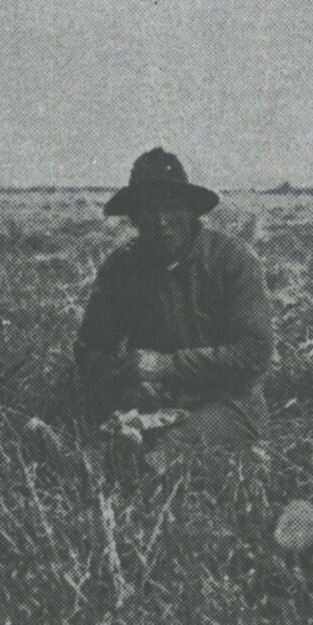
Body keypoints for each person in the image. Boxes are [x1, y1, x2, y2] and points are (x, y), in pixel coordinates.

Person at [74, 148, 275, 471]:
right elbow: (90, 350)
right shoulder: (121, 267)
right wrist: (125, 376)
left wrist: (166, 366)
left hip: (226, 401)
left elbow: (255, 352)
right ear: (135, 218)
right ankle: (83, 464)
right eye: (150, 210)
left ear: (191, 211)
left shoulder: (232, 259)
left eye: (172, 208)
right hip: (149, 400)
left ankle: (120, 468)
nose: (161, 222)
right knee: (115, 436)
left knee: (162, 452)